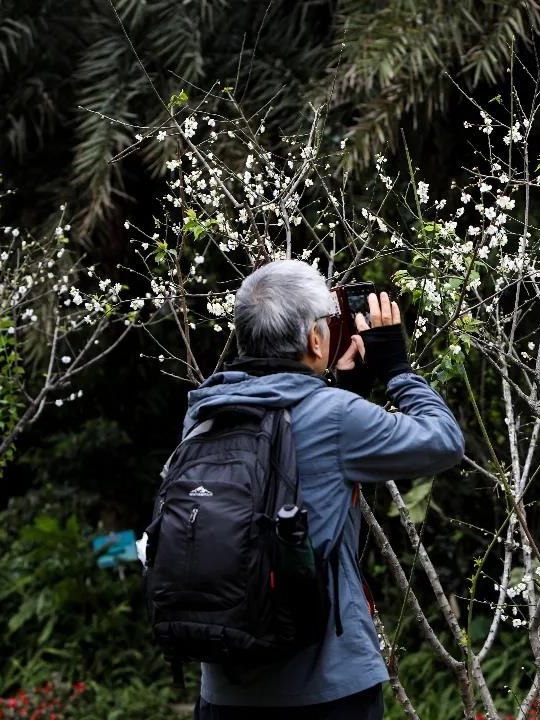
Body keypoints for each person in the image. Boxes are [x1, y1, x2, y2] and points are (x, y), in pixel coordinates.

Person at [185, 259, 465, 720]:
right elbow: (444, 441)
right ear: (315, 339)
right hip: (325, 690)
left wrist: (340, 388)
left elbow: (288, 433)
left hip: (224, 688)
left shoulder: (202, 412)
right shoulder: (334, 416)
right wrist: (397, 368)